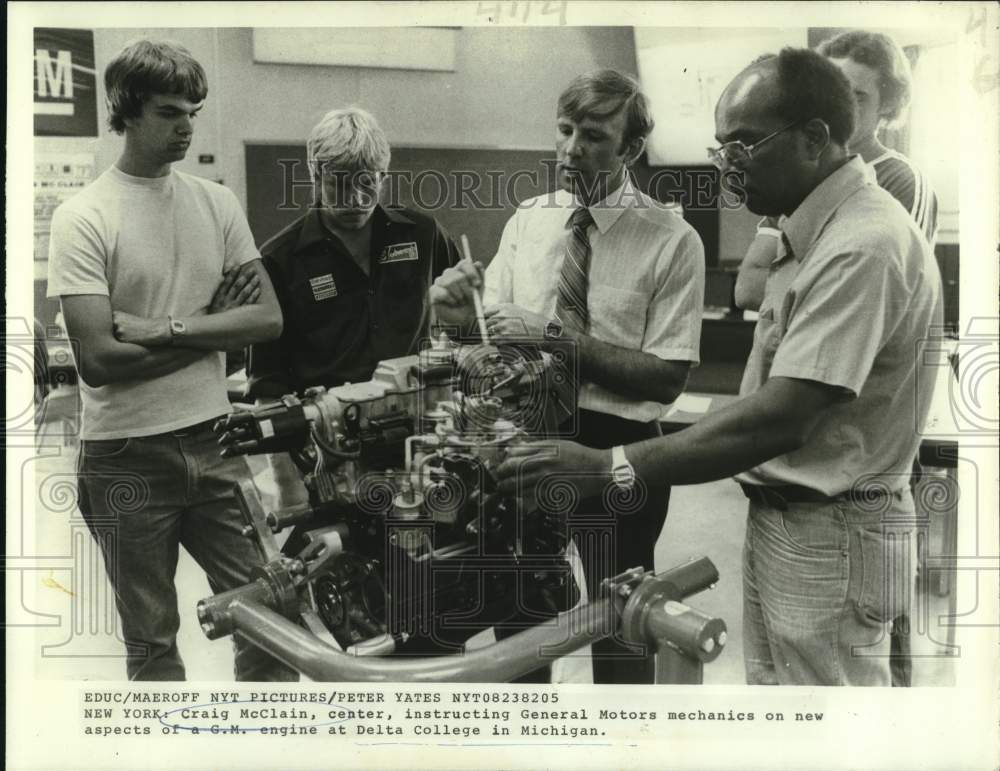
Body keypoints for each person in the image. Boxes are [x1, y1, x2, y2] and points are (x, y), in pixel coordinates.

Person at [494, 48, 943, 687]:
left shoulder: (861, 245)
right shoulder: (814, 232)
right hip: (794, 521)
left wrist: (609, 465)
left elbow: (782, 417)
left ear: (814, 139)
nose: (727, 166)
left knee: (820, 725)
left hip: (831, 531)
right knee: (781, 708)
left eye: (743, 146)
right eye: (721, 147)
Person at [430, 69, 706, 683]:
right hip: (523, 435)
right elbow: (491, 333)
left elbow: (665, 379)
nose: (572, 148)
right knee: (521, 619)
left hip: (618, 448)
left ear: (631, 148)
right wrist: (454, 318)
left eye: (595, 136)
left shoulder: (672, 239)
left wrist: (552, 335)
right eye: (565, 129)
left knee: (622, 624)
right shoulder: (529, 220)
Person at [47, 39, 296, 681]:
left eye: (194, 110)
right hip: (125, 454)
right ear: (124, 111)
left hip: (215, 439)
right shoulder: (84, 216)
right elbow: (99, 360)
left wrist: (165, 329)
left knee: (272, 617)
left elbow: (266, 320)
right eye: (168, 112)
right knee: (153, 644)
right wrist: (213, 331)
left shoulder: (216, 203)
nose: (186, 126)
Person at [245, 107, 460, 399]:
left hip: (415, 419)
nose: (355, 199)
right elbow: (266, 380)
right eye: (340, 184)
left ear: (383, 176)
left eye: (367, 183)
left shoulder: (423, 234)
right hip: (326, 429)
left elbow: (467, 321)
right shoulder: (279, 258)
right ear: (316, 176)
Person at [735, 30, 938, 312]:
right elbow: (747, 288)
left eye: (857, 96)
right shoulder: (803, 179)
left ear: (888, 102)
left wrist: (790, 283)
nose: (837, 109)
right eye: (829, 95)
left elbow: (877, 297)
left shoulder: (901, 178)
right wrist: (825, 287)